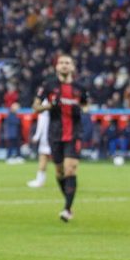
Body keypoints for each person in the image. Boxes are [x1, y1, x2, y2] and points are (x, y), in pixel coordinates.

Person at [32, 54, 88, 222]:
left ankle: (67, 209)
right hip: (55, 133)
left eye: (67, 63)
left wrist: (81, 110)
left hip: (74, 133)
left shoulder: (80, 87)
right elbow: (35, 107)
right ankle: (68, 203)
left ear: (72, 67)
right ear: (56, 67)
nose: (64, 65)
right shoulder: (48, 86)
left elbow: (85, 105)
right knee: (59, 172)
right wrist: (49, 105)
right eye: (61, 63)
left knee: (70, 168)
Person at [27, 99, 51, 187]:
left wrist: (37, 136)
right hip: (57, 135)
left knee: (43, 157)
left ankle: (40, 180)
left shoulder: (45, 105)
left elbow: (42, 122)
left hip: (47, 136)